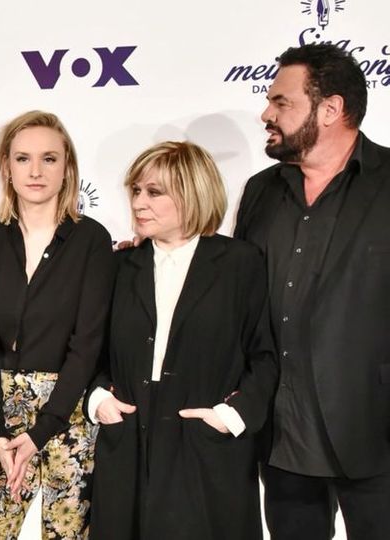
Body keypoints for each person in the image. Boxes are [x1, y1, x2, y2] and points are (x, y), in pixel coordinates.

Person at [234, 43, 390, 540]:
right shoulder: (260, 190)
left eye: (281, 102)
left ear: (330, 109)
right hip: (281, 436)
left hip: (375, 434)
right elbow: (236, 290)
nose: (266, 114)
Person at [86, 141, 277, 539]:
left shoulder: (240, 263)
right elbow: (91, 349)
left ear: (193, 193)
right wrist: (99, 398)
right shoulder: (120, 264)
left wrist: (231, 417)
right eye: (136, 190)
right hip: (129, 442)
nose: (139, 202)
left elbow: (264, 355)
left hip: (205, 448)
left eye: (154, 192)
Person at [0, 110, 114, 539]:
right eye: (23, 158)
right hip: (2, 418)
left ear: (67, 168)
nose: (36, 171)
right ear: (6, 167)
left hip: (70, 411)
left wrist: (44, 428)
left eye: (49, 158)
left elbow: (87, 344)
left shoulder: (92, 240)